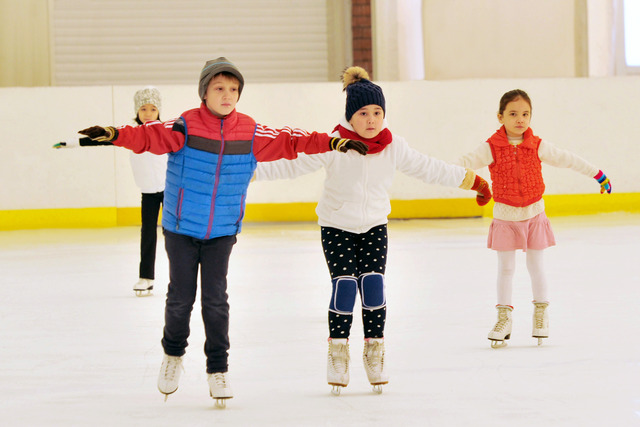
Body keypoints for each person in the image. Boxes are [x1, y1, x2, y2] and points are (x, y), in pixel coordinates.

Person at [74, 57, 368, 407]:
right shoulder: (185, 125)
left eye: (233, 89)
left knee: (216, 302)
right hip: (181, 227)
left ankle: (218, 369)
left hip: (223, 230)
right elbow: (148, 136)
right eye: (219, 88)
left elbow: (291, 141)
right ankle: (172, 355)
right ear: (205, 92)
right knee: (180, 299)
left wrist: (331, 143)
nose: (227, 94)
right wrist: (115, 134)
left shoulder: (250, 130)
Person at [255, 66, 492, 394]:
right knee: (345, 287)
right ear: (350, 116)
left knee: (374, 285)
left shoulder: (394, 145)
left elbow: (429, 168)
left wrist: (473, 181)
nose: (371, 119)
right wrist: (246, 174)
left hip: (374, 226)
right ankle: (338, 349)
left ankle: (374, 349)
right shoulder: (333, 145)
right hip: (337, 226)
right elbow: (292, 165)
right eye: (363, 113)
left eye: (377, 112)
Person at [457, 89, 612, 349]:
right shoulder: (491, 147)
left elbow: (568, 159)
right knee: (506, 269)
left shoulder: (537, 145)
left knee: (536, 266)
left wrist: (597, 174)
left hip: (534, 215)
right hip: (505, 218)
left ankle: (541, 314)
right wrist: (468, 182)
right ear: (500, 116)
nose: (520, 119)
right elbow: (461, 163)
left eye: (525, 114)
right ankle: (503, 318)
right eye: (513, 114)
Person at [54, 86, 167, 297]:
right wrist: (70, 143)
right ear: (137, 112)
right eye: (143, 109)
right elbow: (102, 139)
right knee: (148, 234)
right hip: (149, 193)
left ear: (159, 111)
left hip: (171, 191)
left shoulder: (167, 131)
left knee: (175, 235)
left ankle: (181, 276)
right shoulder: (132, 134)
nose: (148, 113)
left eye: (153, 109)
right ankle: (146, 278)